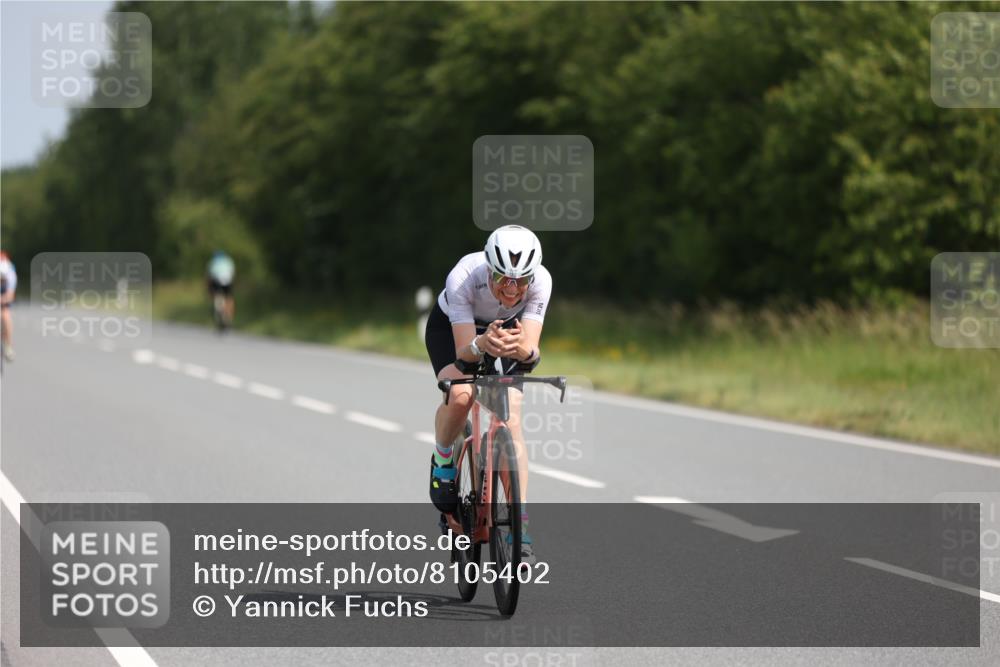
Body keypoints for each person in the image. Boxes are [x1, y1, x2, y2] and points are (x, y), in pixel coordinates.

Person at [424, 225, 551, 562]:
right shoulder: (464, 276)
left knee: (511, 414)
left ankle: (517, 524)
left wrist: (524, 352)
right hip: (454, 328)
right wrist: (480, 344)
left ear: (531, 276)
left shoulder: (542, 281)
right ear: (490, 270)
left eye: (520, 281)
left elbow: (532, 352)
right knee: (462, 395)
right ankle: (443, 459)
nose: (512, 290)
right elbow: (464, 353)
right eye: (503, 280)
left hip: (505, 331)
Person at [206, 250, 236, 325]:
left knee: (216, 294)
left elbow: (209, 276)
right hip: (228, 281)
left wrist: (208, 289)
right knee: (229, 298)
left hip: (217, 282)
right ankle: (229, 315)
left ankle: (218, 308)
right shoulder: (228, 261)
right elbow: (232, 273)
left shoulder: (213, 262)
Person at [0, 251, 17, 362]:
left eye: (3, 278)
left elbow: (10, 296)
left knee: (5, 314)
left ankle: (8, 345)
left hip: (5, 293)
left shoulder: (11, 275)